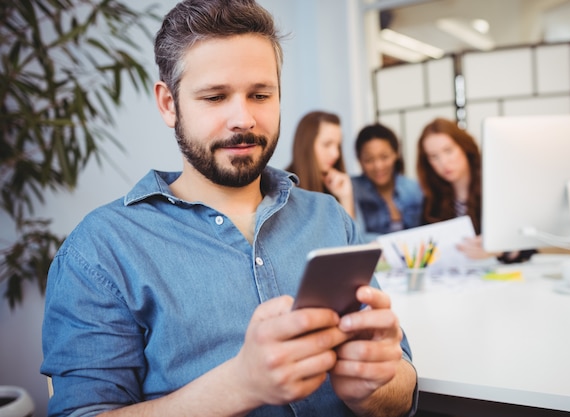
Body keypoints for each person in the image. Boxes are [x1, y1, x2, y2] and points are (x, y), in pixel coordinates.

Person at [40, 1, 418, 416]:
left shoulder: (329, 218)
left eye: (260, 94)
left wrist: (377, 387)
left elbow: (400, 388)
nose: (243, 119)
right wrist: (239, 385)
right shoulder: (100, 252)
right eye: (215, 97)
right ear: (169, 104)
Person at [417, 117, 535, 263]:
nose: (444, 162)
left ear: (464, 147)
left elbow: (530, 243)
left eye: (448, 151)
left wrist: (499, 249)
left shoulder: (496, 187)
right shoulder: (432, 198)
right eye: (434, 157)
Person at [352, 123, 423, 242]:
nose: (378, 166)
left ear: (396, 154)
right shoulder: (352, 190)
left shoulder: (414, 189)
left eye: (384, 157)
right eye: (368, 160)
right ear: (359, 160)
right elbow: (354, 238)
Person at [286, 110, 356, 218]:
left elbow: (350, 234)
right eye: (327, 144)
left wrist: (345, 197)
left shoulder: (335, 185)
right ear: (306, 145)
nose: (336, 154)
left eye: (338, 145)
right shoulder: (286, 190)